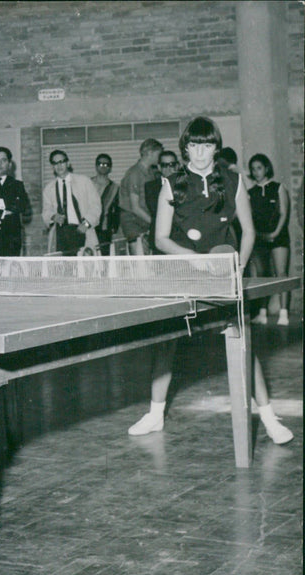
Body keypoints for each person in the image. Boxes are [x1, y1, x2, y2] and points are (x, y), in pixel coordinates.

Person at [128, 117, 292, 446]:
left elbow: (247, 231)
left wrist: (237, 265)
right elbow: (160, 238)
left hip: (222, 274)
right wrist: (195, 260)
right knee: (166, 344)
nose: (199, 152)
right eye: (193, 145)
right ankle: (155, 414)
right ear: (185, 148)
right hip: (181, 271)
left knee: (242, 344)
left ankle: (270, 418)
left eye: (206, 145)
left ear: (215, 148)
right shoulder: (171, 183)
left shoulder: (233, 181)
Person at [247, 153, 291, 326]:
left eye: (259, 168)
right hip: (259, 238)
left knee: (281, 274)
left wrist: (275, 234)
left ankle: (284, 314)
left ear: (266, 168)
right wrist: (259, 235)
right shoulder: (250, 193)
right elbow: (249, 218)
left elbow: (283, 214)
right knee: (263, 276)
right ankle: (262, 314)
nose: (256, 172)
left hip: (279, 237)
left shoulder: (278, 187)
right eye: (253, 169)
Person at [41, 149, 101, 255]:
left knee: (85, 266)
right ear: (52, 167)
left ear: (68, 163)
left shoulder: (84, 181)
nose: (59, 166)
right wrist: (53, 216)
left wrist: (86, 224)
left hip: (81, 229)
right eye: (55, 163)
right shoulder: (49, 188)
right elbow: (46, 211)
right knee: (63, 266)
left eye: (62, 162)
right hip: (61, 234)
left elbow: (96, 206)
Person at [120, 138, 163, 255]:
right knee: (140, 263)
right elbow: (135, 208)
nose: (160, 157)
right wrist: (155, 223)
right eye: (158, 154)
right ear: (150, 153)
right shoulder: (134, 173)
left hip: (144, 221)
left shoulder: (150, 173)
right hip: (133, 222)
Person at [144, 150, 180, 254]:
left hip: (181, 239)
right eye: (165, 165)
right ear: (159, 167)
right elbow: (155, 210)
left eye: (172, 164)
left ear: (177, 166)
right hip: (159, 239)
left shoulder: (185, 185)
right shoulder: (150, 186)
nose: (169, 168)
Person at [89, 153, 120, 254]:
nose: (103, 166)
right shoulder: (87, 183)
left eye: (106, 164)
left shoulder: (114, 187)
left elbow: (117, 210)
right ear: (96, 166)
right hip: (88, 228)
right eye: (100, 164)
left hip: (104, 229)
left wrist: (114, 230)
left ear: (110, 168)